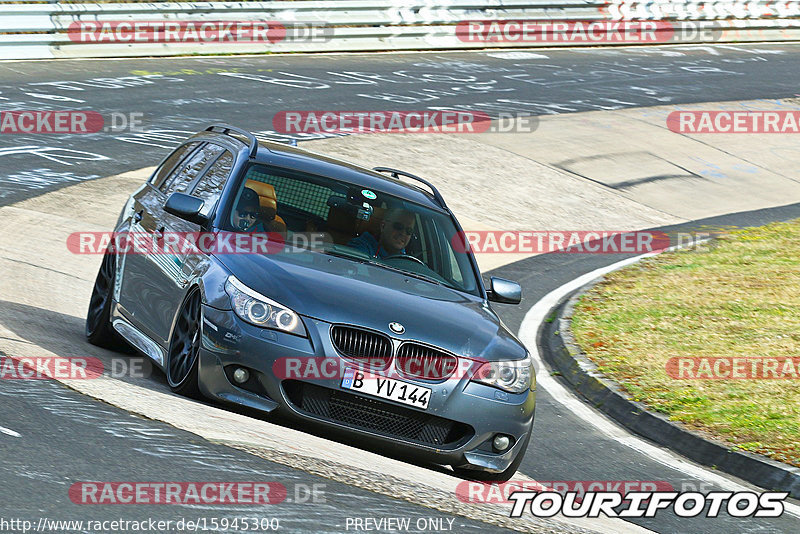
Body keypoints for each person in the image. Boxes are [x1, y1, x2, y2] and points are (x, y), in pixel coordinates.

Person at [348, 208, 415, 259]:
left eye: (409, 230)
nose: (403, 233)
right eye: (398, 227)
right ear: (383, 226)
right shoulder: (360, 247)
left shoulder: (408, 261)